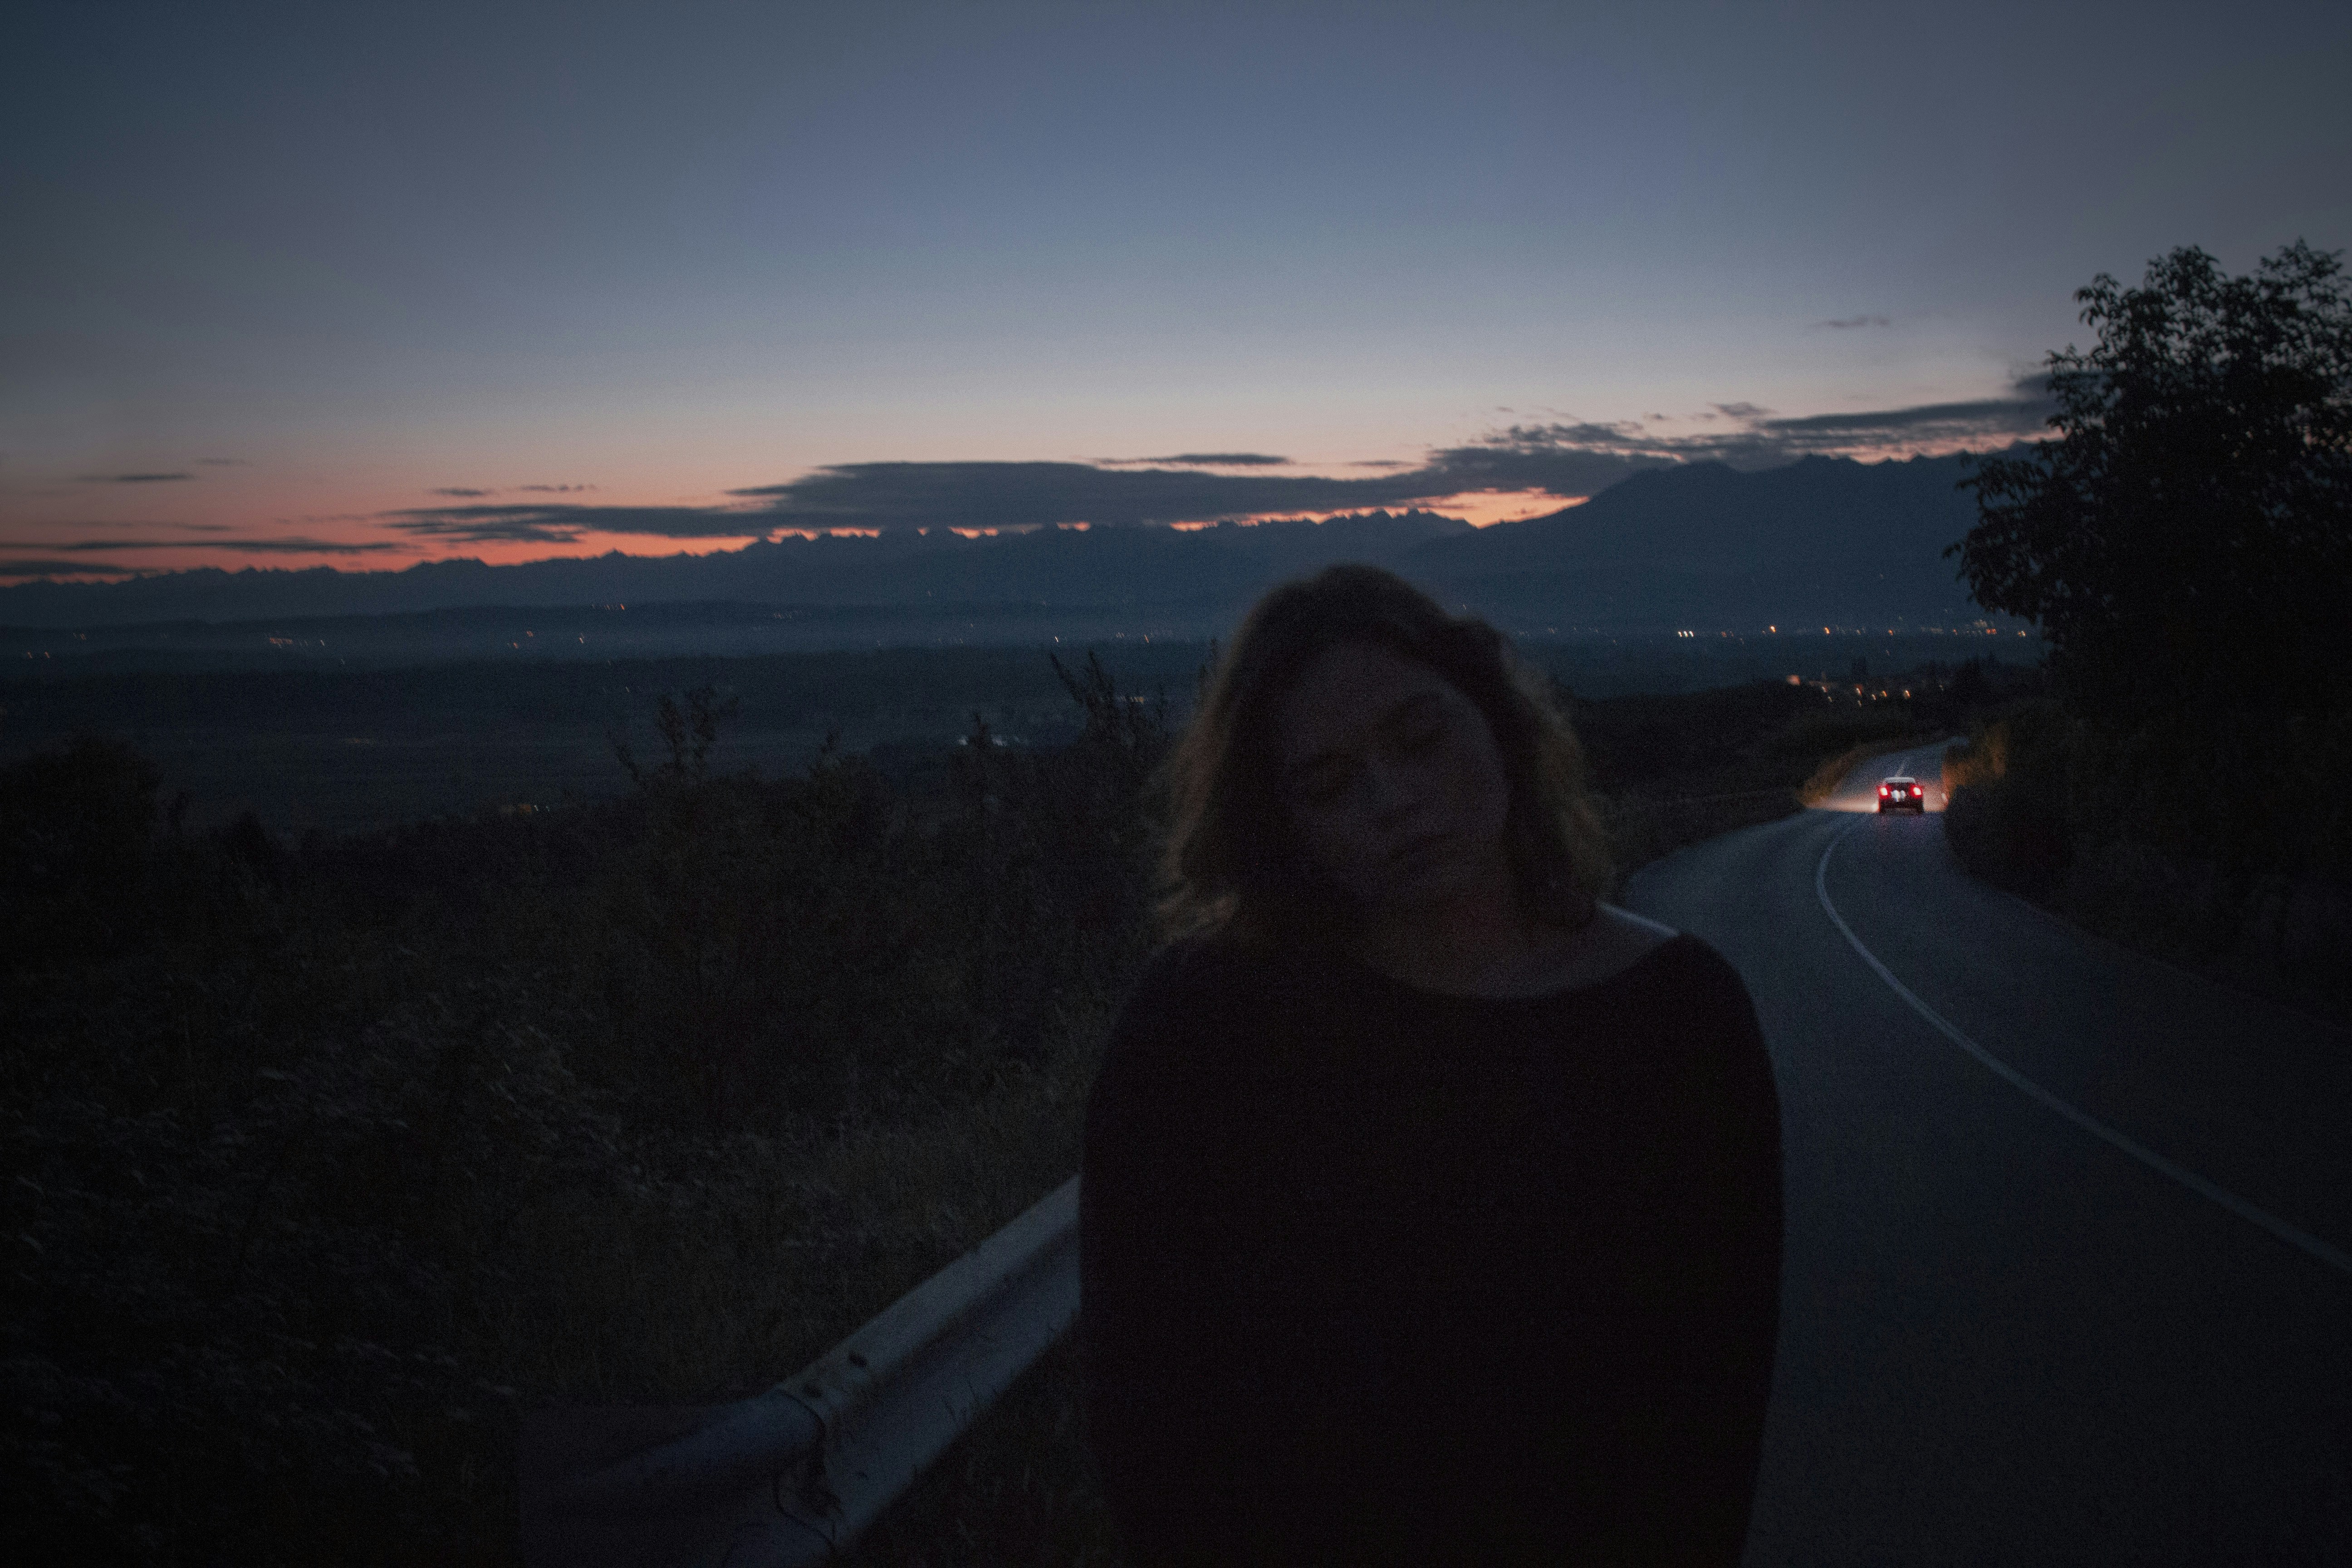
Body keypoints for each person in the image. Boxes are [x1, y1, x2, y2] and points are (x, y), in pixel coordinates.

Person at [1080, 565, 1782, 1565]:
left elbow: (1709, 1421)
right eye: (1328, 784)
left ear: (1494, 721)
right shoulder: (1205, 1032)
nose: (1394, 800)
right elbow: (1150, 1416)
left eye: (1420, 740)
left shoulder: (1678, 1022)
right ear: (1282, 825)